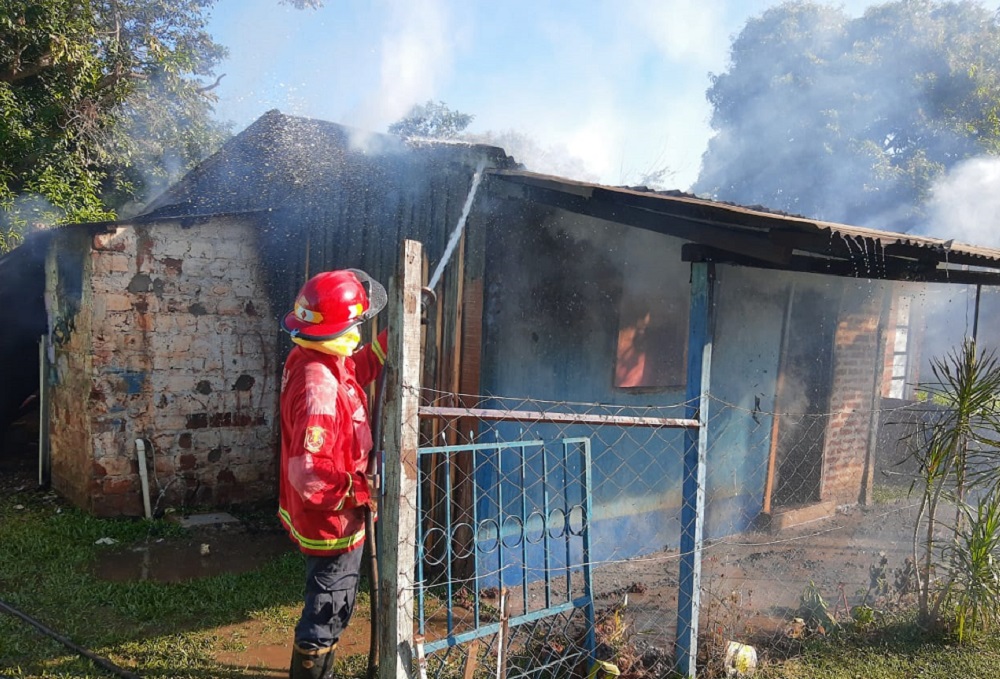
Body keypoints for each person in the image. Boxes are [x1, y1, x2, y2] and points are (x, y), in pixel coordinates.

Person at [278, 268, 388, 679]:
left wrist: (392, 342)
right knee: (329, 607)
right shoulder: (318, 389)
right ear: (343, 329)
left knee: (332, 599)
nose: (361, 328)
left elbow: (352, 371)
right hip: (332, 520)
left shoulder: (314, 356)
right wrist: (363, 491)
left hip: (336, 515)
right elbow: (310, 473)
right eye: (359, 322)